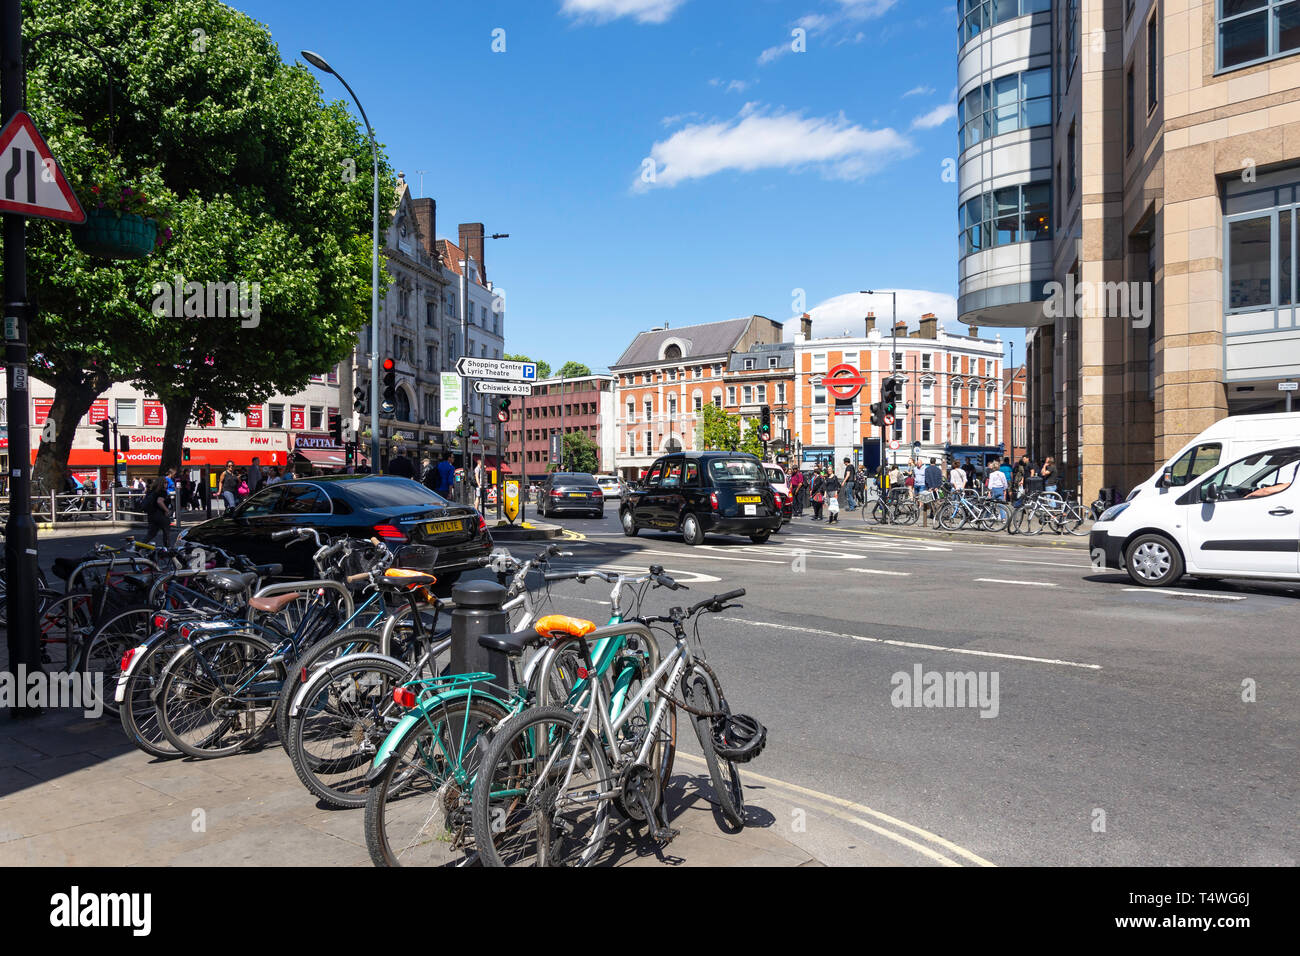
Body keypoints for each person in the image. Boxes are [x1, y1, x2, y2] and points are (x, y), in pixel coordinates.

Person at [142, 473, 174, 548]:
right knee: (166, 532)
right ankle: (168, 549)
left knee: (151, 534)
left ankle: (139, 546)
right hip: (161, 515)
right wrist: (167, 510)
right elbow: (159, 501)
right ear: (162, 483)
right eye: (166, 482)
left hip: (151, 515)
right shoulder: (162, 492)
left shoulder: (151, 491)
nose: (167, 484)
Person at [922, 457, 944, 527]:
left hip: (930, 488)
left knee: (930, 501)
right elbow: (940, 479)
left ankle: (933, 514)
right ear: (935, 462)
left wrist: (929, 487)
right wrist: (937, 487)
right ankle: (936, 514)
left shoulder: (927, 469)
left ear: (930, 462)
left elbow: (927, 479)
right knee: (937, 501)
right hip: (936, 488)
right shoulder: (938, 470)